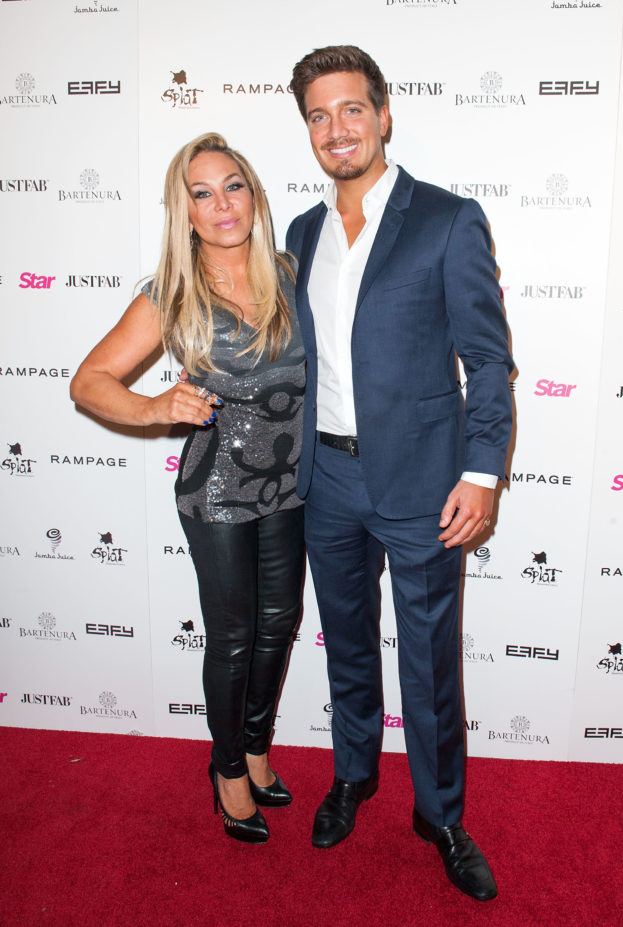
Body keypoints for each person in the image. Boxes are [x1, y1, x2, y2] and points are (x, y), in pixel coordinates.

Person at [286, 47, 513, 900]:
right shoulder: (300, 234)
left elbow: (487, 360)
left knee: (429, 662)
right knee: (346, 643)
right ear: (308, 130)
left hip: (424, 484)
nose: (336, 128)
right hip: (327, 479)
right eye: (318, 115)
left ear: (384, 115)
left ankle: (442, 814)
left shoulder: (448, 220)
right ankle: (353, 774)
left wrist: (482, 471)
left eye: (352, 108)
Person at [70, 132, 305, 844]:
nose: (222, 204)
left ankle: (256, 748)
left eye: (233, 186)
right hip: (217, 489)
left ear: (253, 195)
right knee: (234, 637)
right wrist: (152, 408)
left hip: (292, 485)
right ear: (185, 212)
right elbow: (89, 382)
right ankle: (227, 769)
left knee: (279, 623)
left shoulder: (290, 273)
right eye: (202, 193)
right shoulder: (171, 294)